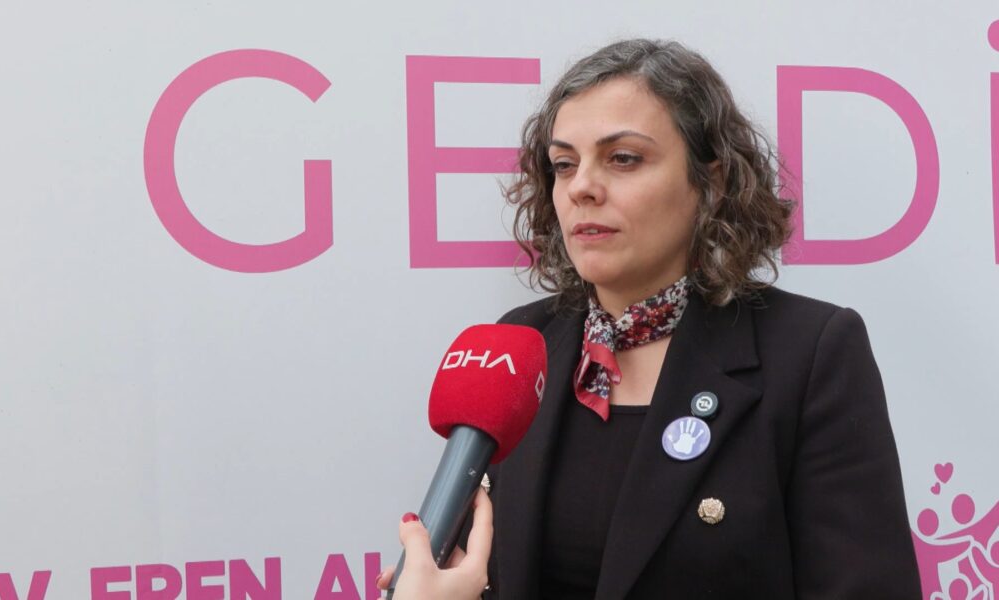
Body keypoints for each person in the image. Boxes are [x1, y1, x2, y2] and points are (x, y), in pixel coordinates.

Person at [382, 38, 922, 599]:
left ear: (710, 183)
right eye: (564, 164)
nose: (582, 187)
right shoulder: (521, 342)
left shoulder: (811, 354)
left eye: (623, 158)